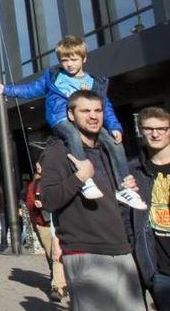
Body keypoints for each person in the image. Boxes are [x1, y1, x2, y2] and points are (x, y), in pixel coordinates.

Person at [0, 35, 146, 209]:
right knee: (72, 135)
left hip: (85, 121)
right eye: (64, 60)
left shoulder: (94, 83)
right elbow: (30, 89)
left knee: (113, 142)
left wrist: (114, 126)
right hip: (61, 118)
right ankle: (85, 180)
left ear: (83, 59)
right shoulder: (54, 77)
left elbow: (104, 106)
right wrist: (6, 90)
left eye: (74, 59)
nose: (69, 64)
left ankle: (123, 187)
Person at [39, 89, 144, 309]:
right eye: (85, 111)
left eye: (98, 110)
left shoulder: (110, 150)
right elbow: (48, 200)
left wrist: (126, 189)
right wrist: (79, 177)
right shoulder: (58, 152)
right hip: (86, 253)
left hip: (122, 251)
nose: (93, 116)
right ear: (70, 115)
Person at [128, 105, 170, 310]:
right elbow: (127, 218)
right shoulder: (133, 171)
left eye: (161, 128)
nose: (155, 134)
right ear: (141, 130)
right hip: (159, 270)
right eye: (149, 128)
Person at [26, 161, 68, 302]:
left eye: (41, 166)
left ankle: (58, 286)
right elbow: (29, 203)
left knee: (57, 256)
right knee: (52, 255)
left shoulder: (59, 181)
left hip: (60, 222)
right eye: (37, 167)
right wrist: (36, 205)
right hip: (43, 224)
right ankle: (59, 281)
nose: (39, 169)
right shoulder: (34, 185)